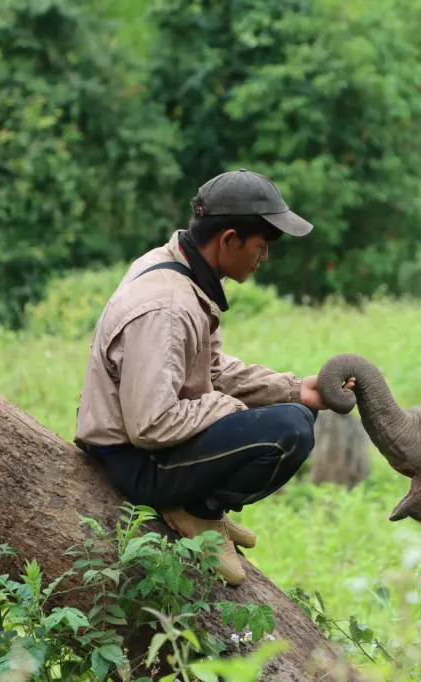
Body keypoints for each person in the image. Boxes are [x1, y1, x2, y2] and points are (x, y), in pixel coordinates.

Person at [73, 168, 354, 586]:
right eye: (261, 247)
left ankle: (199, 503)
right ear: (229, 240)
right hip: (135, 462)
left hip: (151, 446)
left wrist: (294, 389)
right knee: (290, 430)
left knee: (296, 410)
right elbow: (151, 424)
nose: (264, 258)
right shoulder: (168, 307)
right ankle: (196, 510)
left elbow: (213, 372)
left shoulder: (181, 271)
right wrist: (232, 409)